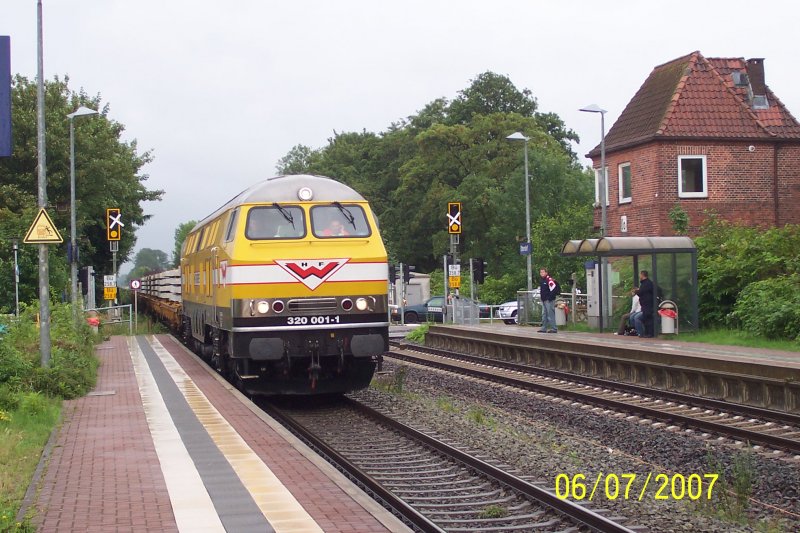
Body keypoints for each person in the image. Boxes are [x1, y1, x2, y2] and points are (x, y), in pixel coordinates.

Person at [634, 270, 655, 337]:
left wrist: (637, 291)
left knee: (647, 318)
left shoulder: (646, 284)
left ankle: (648, 333)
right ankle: (647, 333)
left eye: (640, 275)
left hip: (647, 304)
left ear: (642, 275)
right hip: (646, 304)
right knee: (646, 318)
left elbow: (641, 292)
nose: (639, 276)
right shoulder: (646, 283)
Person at [538, 268, 560, 333]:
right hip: (543, 300)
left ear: (546, 273)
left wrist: (549, 297)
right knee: (544, 314)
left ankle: (554, 328)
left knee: (550, 314)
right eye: (541, 272)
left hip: (549, 300)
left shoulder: (549, 280)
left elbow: (553, 288)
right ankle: (543, 328)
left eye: (543, 272)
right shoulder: (542, 280)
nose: (542, 273)